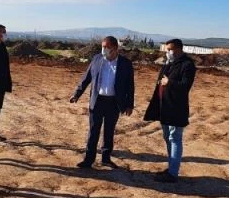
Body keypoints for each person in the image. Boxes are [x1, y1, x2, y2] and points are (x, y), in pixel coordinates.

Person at [69, 36, 134, 169]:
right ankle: (88, 160)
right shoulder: (97, 59)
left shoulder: (125, 64)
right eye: (102, 46)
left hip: (114, 102)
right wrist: (77, 94)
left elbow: (130, 86)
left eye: (106, 47)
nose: (103, 49)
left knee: (109, 132)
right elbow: (86, 78)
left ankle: (106, 158)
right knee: (93, 131)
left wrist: (129, 104)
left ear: (115, 49)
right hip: (97, 101)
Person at [143, 38, 196, 183]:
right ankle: (171, 167)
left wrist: (169, 82)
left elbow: (185, 86)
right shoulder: (169, 64)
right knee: (168, 138)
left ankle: (173, 173)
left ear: (179, 49)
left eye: (170, 50)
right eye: (167, 50)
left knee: (175, 138)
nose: (168, 52)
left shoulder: (187, 65)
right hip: (164, 107)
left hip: (176, 108)